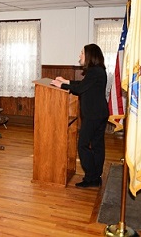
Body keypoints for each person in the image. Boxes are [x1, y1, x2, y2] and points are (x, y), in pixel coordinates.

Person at [51, 43, 108, 188]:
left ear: (89, 55)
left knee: (83, 145)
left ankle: (91, 178)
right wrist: (66, 81)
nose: (79, 56)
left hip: (93, 116)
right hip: (99, 114)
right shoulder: (98, 70)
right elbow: (83, 83)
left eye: (81, 53)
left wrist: (61, 86)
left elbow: (81, 88)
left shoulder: (94, 71)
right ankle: (96, 176)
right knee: (97, 145)